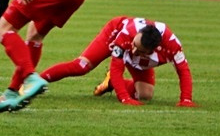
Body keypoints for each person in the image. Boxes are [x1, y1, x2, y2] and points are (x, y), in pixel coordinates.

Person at [41, 17, 195, 108]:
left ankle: (112, 83)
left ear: (151, 51)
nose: (133, 50)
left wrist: (185, 99)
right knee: (81, 66)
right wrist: (124, 98)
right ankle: (36, 80)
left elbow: (183, 70)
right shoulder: (127, 35)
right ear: (138, 34)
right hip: (113, 32)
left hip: (144, 57)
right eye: (135, 44)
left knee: (145, 94)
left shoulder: (172, 46)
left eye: (139, 50)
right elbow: (116, 68)